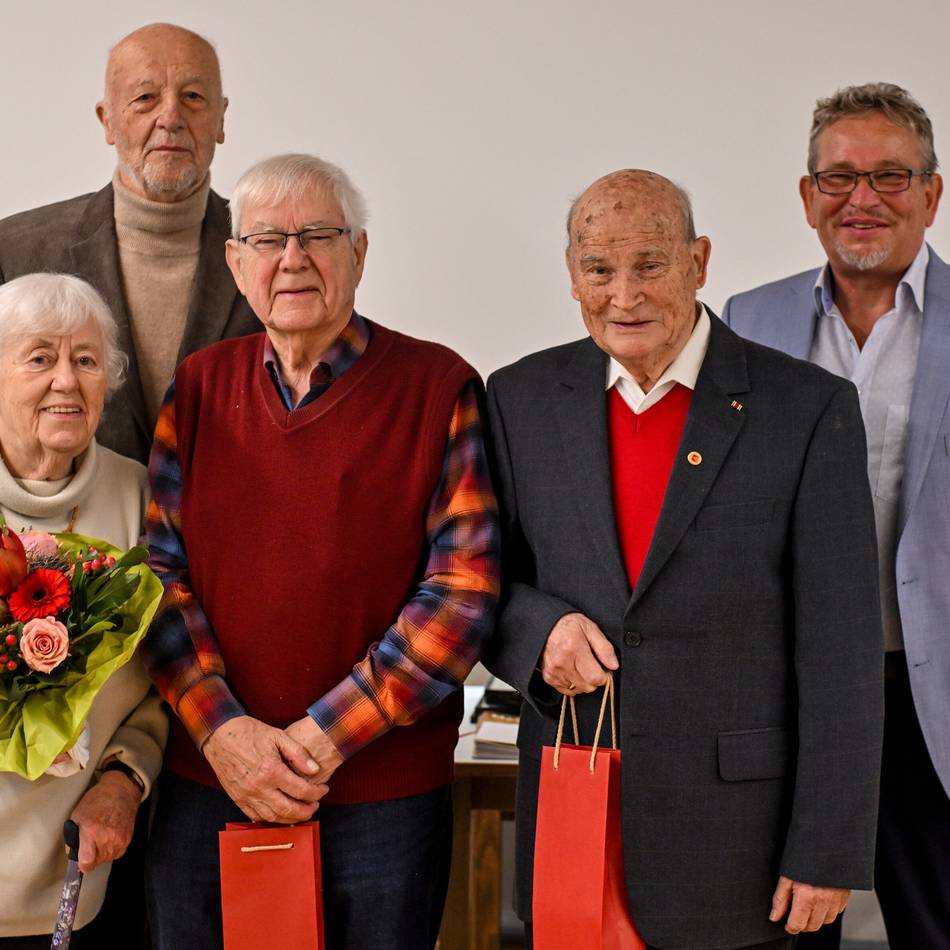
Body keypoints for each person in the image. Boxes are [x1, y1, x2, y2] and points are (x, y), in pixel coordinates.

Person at [483, 169, 884, 950]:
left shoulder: (808, 408)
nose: (623, 294)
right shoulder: (518, 398)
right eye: (599, 269)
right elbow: (481, 587)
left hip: (743, 852)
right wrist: (540, 635)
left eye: (651, 264)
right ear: (572, 278)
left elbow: (842, 652)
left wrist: (827, 850)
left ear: (699, 262)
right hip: (577, 822)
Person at [141, 153, 499, 950]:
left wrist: (315, 741)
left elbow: (462, 596)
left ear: (360, 253)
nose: (292, 258)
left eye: (318, 235)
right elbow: (157, 579)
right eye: (267, 239)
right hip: (209, 782)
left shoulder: (438, 386)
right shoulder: (197, 387)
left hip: (381, 799)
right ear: (236, 263)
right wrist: (227, 735)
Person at [722, 81, 950, 950]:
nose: (863, 199)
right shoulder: (750, 322)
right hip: (789, 694)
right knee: (784, 926)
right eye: (839, 178)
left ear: (931, 193)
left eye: (891, 176)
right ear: (807, 196)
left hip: (929, 694)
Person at [0, 23, 260, 465]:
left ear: (221, 119)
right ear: (108, 121)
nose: (171, 116)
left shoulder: (272, 255)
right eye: (145, 98)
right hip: (58, 527)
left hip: (228, 528)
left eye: (194, 97)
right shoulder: (15, 251)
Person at [0, 273, 166, 949]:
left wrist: (125, 779)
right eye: (40, 357)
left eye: (87, 360)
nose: (66, 381)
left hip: (84, 870)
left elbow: (161, 680)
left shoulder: (137, 493)